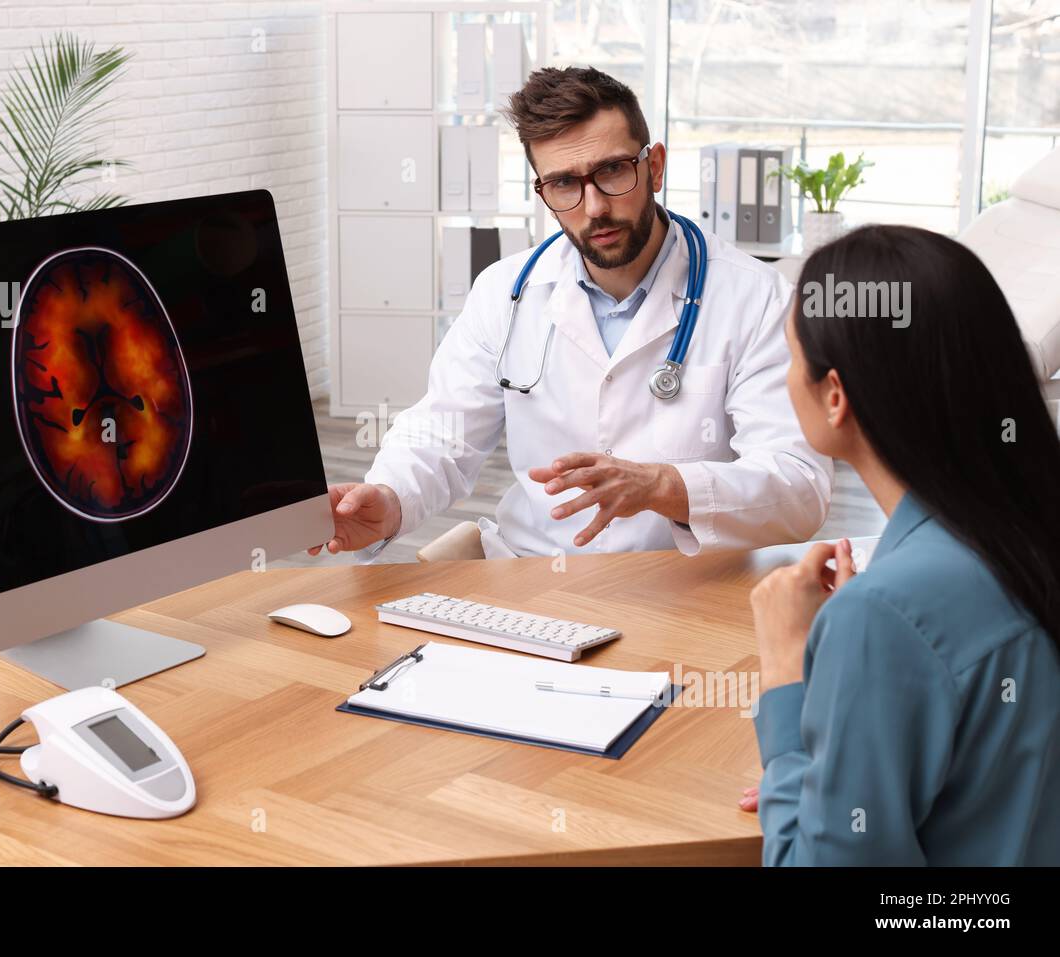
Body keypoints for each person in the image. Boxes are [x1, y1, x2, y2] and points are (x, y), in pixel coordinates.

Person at [310, 66, 831, 560]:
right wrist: (389, 497)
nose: (595, 207)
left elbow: (800, 486)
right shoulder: (505, 292)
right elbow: (444, 432)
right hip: (531, 575)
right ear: (542, 190)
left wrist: (664, 486)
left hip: (681, 586)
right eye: (564, 184)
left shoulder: (755, 297)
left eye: (611, 171)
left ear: (654, 166)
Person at [744, 224, 1060, 865]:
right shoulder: (1027, 531)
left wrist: (786, 673)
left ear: (835, 396)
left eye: (789, 360)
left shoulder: (883, 615)